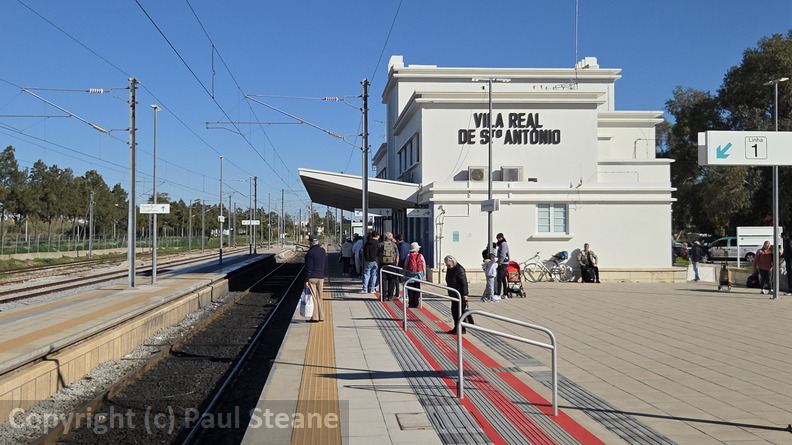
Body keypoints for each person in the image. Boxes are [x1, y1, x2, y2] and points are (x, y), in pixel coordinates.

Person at [444, 255, 474, 334]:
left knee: (460, 312)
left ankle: (462, 329)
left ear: (453, 262)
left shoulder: (459, 269)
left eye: (449, 265)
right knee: (454, 311)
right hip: (453, 294)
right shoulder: (450, 269)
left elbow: (464, 283)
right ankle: (456, 327)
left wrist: (465, 294)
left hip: (460, 294)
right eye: (446, 265)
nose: (448, 266)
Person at [303, 234, 326, 323]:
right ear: (318, 241)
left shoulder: (310, 253)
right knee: (320, 297)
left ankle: (315, 317)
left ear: (310, 242)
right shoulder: (323, 251)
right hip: (321, 277)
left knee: (313, 298)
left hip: (312, 277)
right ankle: (322, 316)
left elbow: (308, 267)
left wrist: (306, 280)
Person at [404, 242, 426, 308]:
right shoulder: (421, 256)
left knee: (410, 289)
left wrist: (404, 273)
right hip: (418, 275)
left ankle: (411, 303)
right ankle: (416, 303)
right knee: (417, 289)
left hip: (409, 274)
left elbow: (405, 264)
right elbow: (424, 266)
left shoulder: (408, 256)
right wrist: (424, 275)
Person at [379, 232, 400, 300]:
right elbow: (397, 256)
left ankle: (383, 296)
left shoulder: (380, 245)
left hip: (383, 265)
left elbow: (377, 256)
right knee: (392, 280)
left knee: (383, 281)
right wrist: (396, 264)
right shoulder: (394, 245)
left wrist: (379, 263)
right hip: (392, 265)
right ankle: (390, 296)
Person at [495, 233, 510, 297]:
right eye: (497, 238)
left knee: (499, 278)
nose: (498, 239)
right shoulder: (502, 243)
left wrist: (500, 262)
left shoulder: (503, 244)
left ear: (502, 238)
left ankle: (498, 293)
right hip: (504, 262)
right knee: (503, 278)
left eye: (499, 238)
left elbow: (503, 254)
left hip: (503, 263)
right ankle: (505, 293)